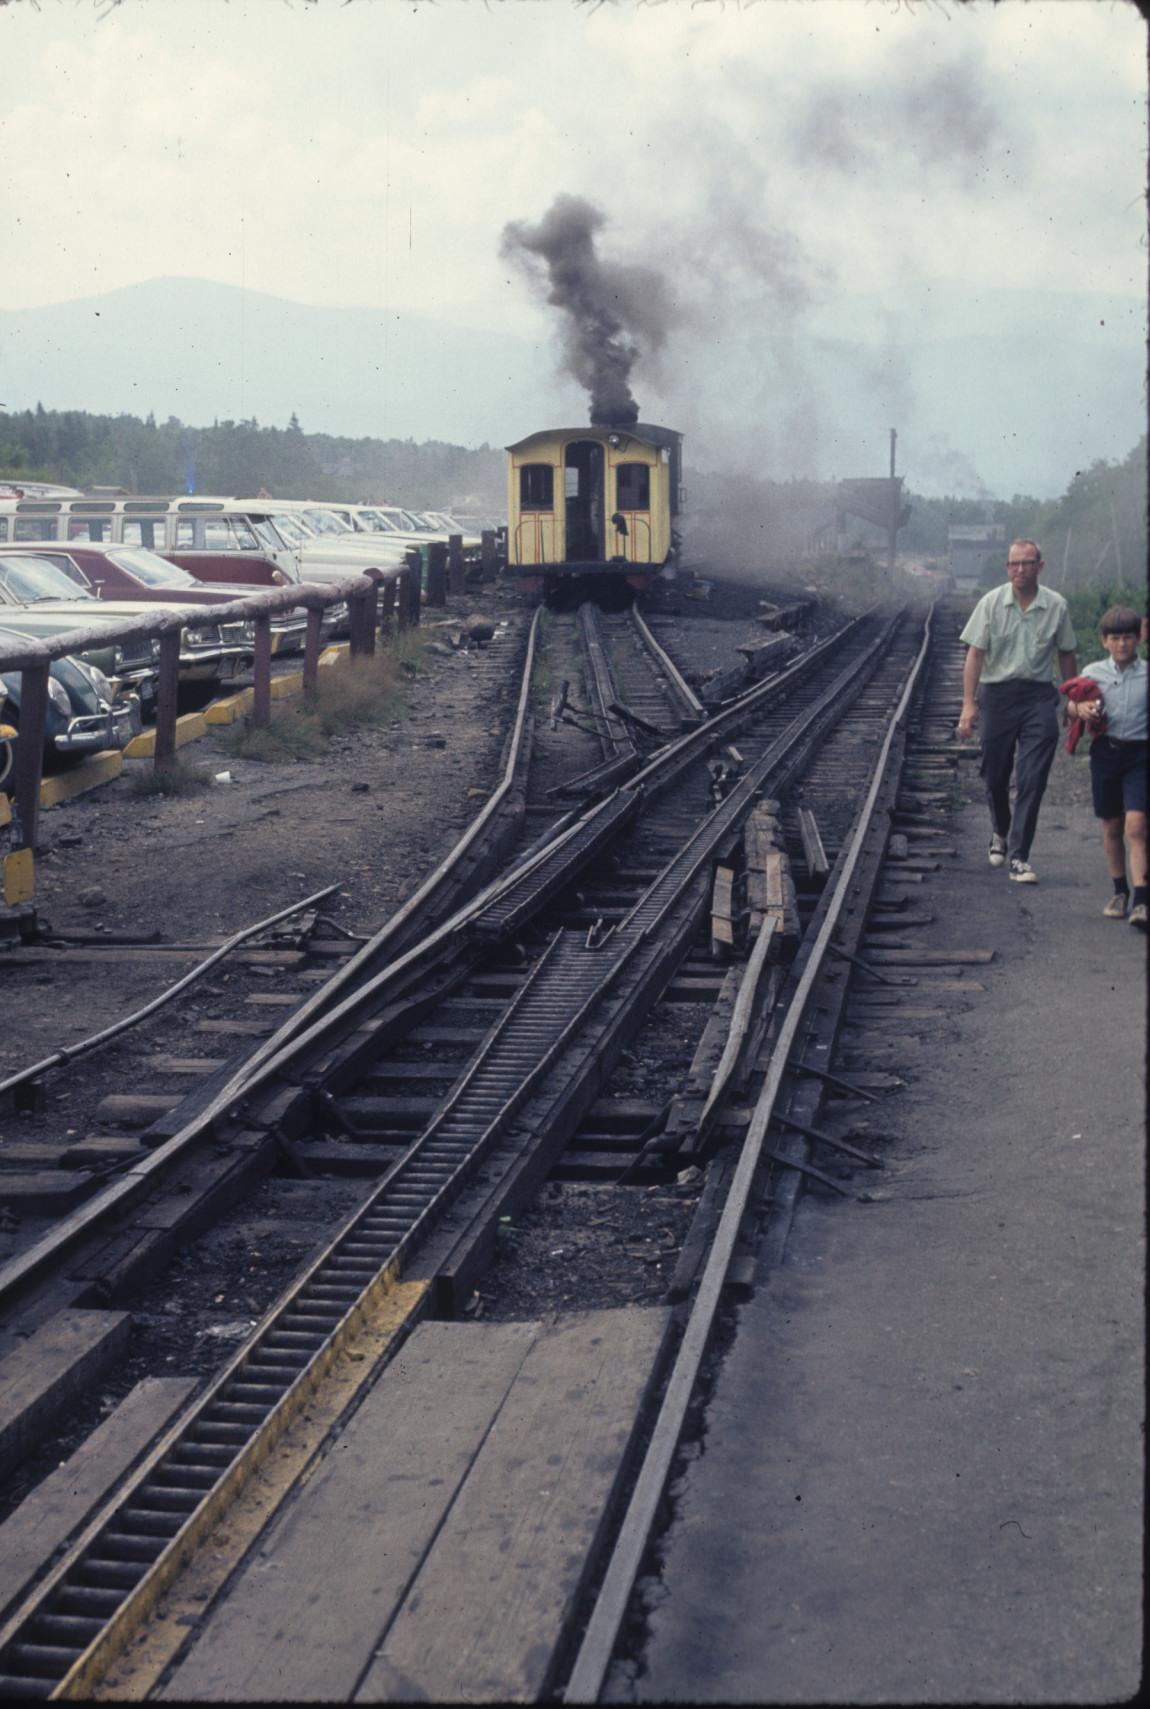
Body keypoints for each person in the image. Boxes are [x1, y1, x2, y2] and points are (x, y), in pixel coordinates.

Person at [957, 539, 1078, 883]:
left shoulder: (1056, 606)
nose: (1020, 570)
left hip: (1039, 697)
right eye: (1014, 564)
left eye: (1027, 563)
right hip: (997, 696)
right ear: (1007, 568)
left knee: (1032, 778)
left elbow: (1067, 653)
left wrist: (1071, 697)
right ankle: (1000, 830)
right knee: (995, 774)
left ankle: (1019, 856)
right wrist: (969, 704)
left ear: (1040, 566)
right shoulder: (991, 603)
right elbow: (975, 655)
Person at [1064, 606, 1147, 929]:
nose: (1122, 644)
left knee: (1137, 826)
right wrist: (1079, 707)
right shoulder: (1093, 672)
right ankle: (1120, 891)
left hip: (1141, 754)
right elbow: (1070, 707)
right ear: (1104, 641)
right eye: (1115, 638)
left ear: (1138, 638)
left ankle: (1142, 900)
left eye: (1128, 637)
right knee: (1112, 826)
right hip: (1106, 753)